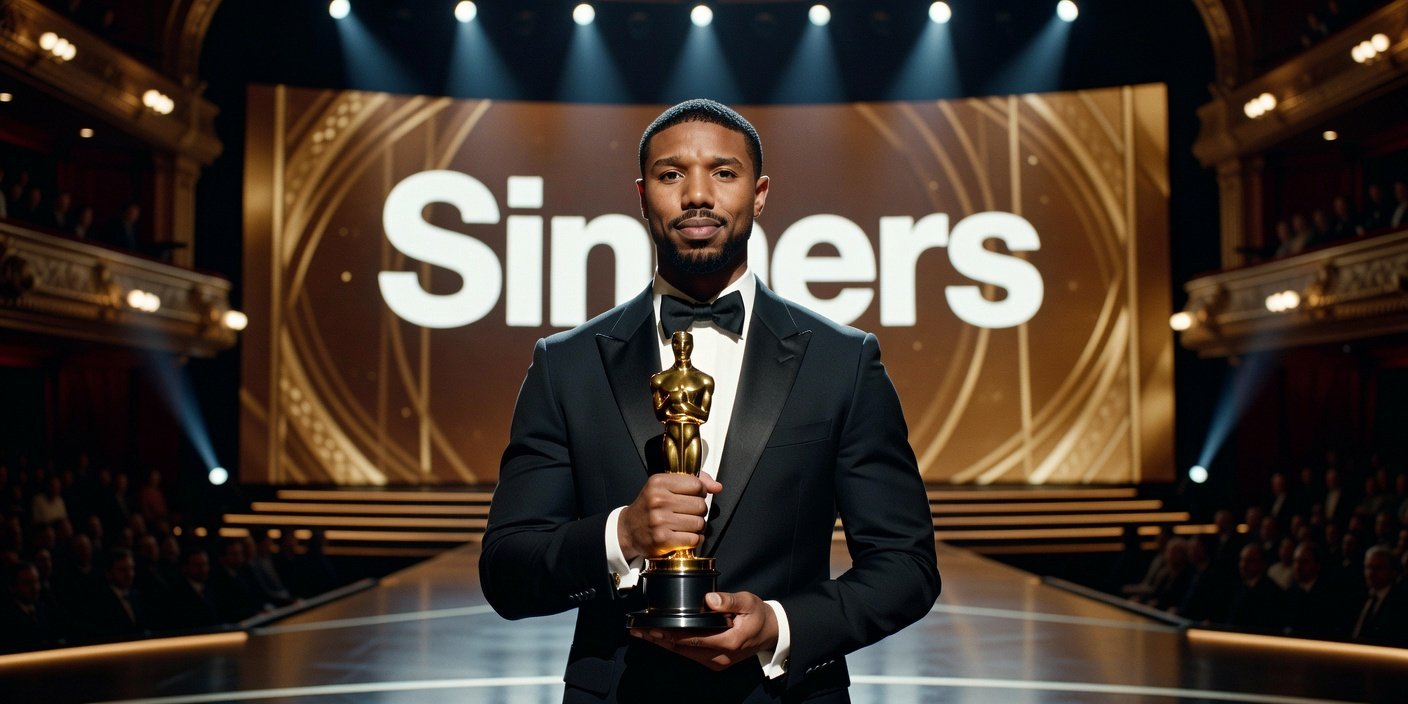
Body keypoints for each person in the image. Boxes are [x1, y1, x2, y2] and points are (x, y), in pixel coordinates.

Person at [480, 99, 940, 703]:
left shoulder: (843, 361)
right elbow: (509, 572)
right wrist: (622, 536)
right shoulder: (566, 364)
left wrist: (780, 625)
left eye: (723, 173)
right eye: (672, 175)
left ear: (760, 192)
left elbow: (906, 566)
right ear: (642, 195)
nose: (698, 194)